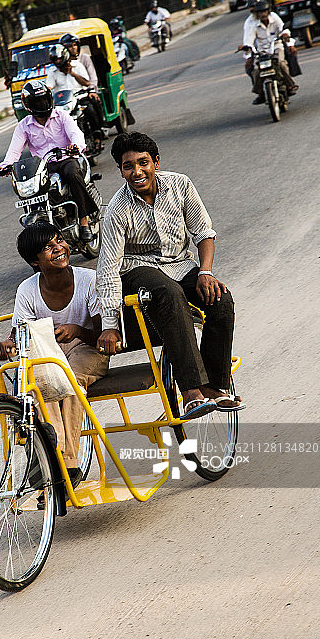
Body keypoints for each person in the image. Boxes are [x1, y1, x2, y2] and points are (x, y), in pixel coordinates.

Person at [96, 131, 243, 421]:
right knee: (169, 293)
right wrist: (109, 324)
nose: (137, 172)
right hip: (138, 270)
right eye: (128, 166)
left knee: (222, 300)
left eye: (143, 162)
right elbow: (108, 269)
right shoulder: (116, 210)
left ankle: (216, 387)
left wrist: (205, 272)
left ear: (156, 162)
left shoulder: (180, 184)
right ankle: (191, 393)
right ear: (121, 171)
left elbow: (203, 232)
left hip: (180, 264)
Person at [0, 222, 109, 487]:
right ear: (35, 261)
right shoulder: (27, 290)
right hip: (50, 354)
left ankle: (67, 462)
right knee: (40, 384)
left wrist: (77, 330)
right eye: (48, 247)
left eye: (59, 240)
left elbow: (102, 337)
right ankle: (48, 449)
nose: (59, 248)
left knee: (68, 381)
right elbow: (20, 336)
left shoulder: (88, 281)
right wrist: (7, 346)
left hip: (89, 351)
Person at [0, 80, 97, 242]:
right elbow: (14, 151)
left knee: (72, 174)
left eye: (44, 100)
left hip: (66, 159)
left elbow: (75, 133)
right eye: (37, 101)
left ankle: (84, 222)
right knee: (30, 190)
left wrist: (76, 146)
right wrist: (5, 167)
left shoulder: (62, 116)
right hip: (43, 166)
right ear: (28, 105)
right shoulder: (23, 126)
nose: (42, 104)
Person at [46, 44, 104, 153]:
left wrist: (72, 73)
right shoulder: (52, 71)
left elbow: (86, 83)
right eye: (55, 60)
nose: (58, 62)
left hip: (80, 97)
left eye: (59, 59)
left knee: (91, 110)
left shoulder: (77, 65)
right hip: (63, 103)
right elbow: (49, 86)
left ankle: (97, 137)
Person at [242, 0, 298, 104]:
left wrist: (285, 36)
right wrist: (246, 48)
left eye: (264, 11)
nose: (262, 14)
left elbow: (283, 29)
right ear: (256, 14)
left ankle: (290, 84)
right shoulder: (252, 24)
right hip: (262, 51)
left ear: (268, 11)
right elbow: (249, 40)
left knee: (281, 63)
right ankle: (260, 93)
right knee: (256, 70)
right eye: (260, 12)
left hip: (276, 47)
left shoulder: (274, 17)